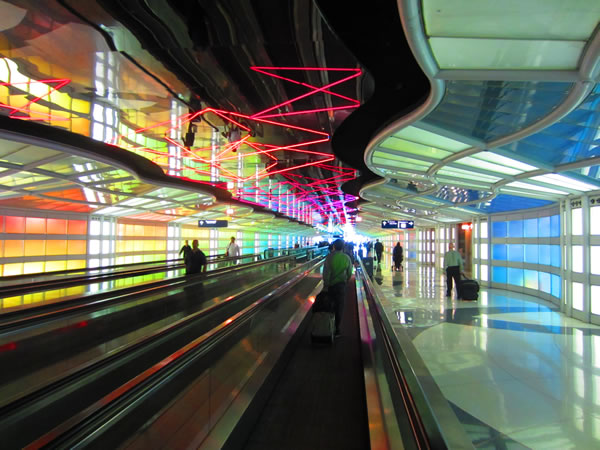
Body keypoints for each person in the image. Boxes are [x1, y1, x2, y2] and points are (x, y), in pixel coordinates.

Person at [322, 239, 353, 338]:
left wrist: (326, 285)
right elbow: (349, 272)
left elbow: (325, 272)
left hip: (330, 286)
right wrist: (346, 281)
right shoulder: (346, 258)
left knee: (330, 305)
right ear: (343, 247)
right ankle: (337, 329)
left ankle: (328, 326)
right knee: (340, 306)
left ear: (334, 246)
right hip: (341, 286)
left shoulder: (329, 257)